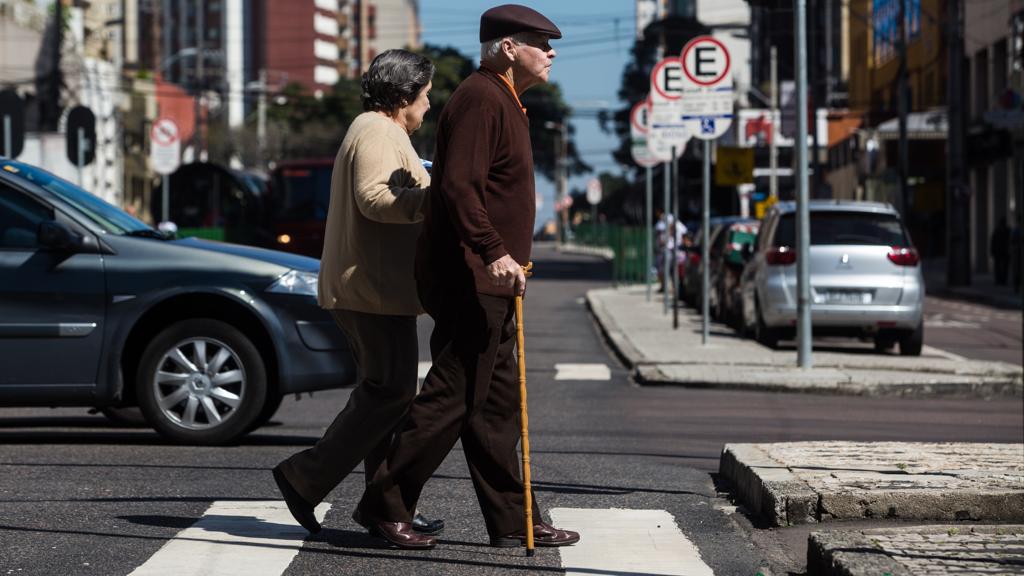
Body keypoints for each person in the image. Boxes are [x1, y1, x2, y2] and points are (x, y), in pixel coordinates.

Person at [352, 4, 580, 551]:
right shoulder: (481, 98)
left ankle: (515, 519)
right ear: (508, 48)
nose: (551, 53)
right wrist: (493, 251)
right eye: (540, 43)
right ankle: (384, 505)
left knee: (496, 410)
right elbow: (458, 186)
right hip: (471, 276)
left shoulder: (506, 100)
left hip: (492, 280)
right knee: (449, 400)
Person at [271, 49, 443, 537]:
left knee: (387, 396)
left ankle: (384, 506)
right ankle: (305, 477)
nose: (428, 105)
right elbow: (375, 199)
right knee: (391, 393)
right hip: (370, 288)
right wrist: (438, 198)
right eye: (425, 95)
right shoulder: (378, 131)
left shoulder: (380, 131)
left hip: (375, 287)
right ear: (403, 95)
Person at [991, 217, 1010, 285]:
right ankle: (1002, 280)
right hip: (1003, 251)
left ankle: (999, 280)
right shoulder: (1007, 230)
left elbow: (993, 242)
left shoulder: (997, 230)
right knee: (1003, 267)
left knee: (999, 266)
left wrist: (992, 251)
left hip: (999, 251)